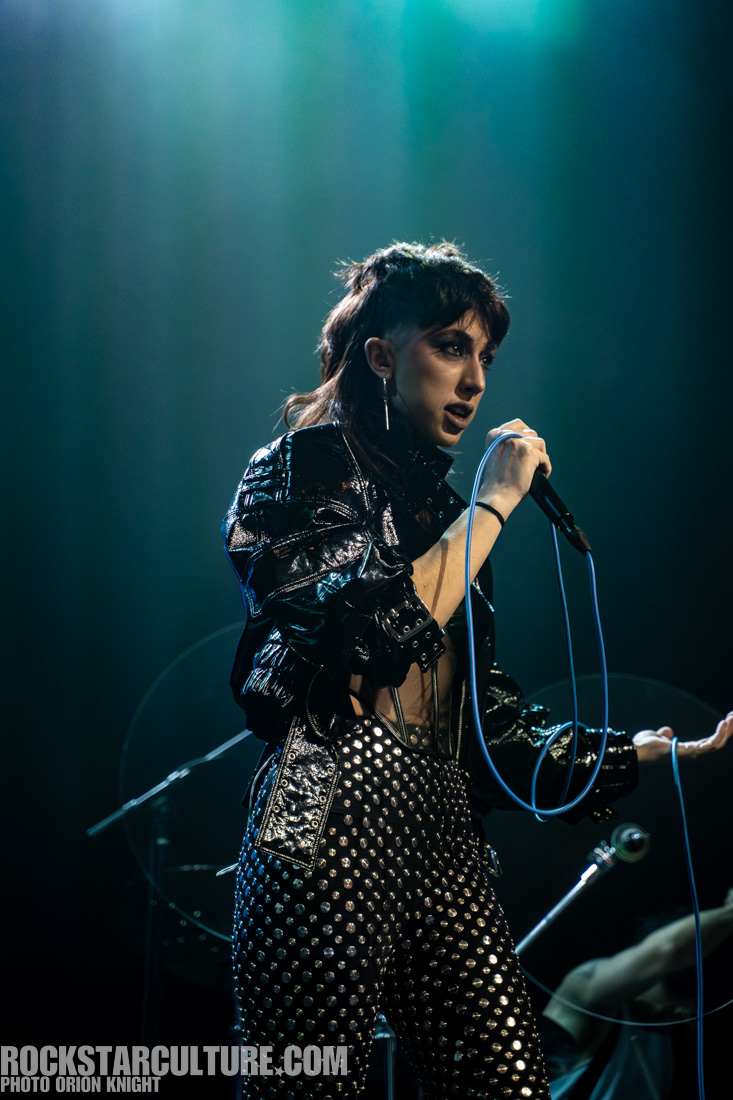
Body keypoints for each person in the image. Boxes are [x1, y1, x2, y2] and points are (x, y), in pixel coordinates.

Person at [221, 241, 733, 1098]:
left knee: (507, 1082)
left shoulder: (449, 520)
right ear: (381, 356)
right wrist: (495, 503)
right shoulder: (298, 466)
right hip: (317, 784)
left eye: (485, 357)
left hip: (440, 817)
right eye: (451, 346)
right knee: (306, 1082)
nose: (475, 381)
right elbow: (361, 635)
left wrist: (630, 752)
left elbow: (483, 730)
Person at [541, 889, 733, 1098]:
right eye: (679, 986)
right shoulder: (587, 993)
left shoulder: (678, 1039)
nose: (685, 1010)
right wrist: (730, 913)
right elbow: (667, 951)